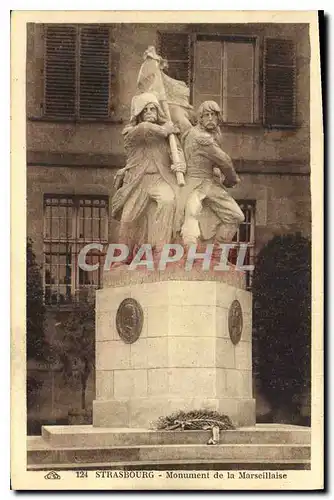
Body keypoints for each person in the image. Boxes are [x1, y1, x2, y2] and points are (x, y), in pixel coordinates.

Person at [111, 92, 186, 258]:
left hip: (160, 179)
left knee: (168, 202)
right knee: (129, 218)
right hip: (138, 182)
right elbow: (144, 129)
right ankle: (122, 258)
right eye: (146, 110)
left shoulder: (168, 136)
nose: (150, 112)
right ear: (139, 113)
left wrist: (180, 164)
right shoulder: (132, 132)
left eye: (153, 109)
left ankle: (161, 251)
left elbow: (178, 152)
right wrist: (165, 129)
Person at [180, 100, 244, 245]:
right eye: (206, 115)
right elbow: (225, 161)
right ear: (200, 118)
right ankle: (198, 256)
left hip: (204, 183)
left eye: (213, 115)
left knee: (235, 216)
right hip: (197, 185)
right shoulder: (203, 138)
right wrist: (231, 180)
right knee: (192, 219)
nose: (210, 118)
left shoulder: (193, 133)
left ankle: (213, 254)